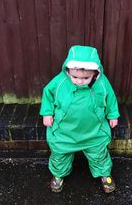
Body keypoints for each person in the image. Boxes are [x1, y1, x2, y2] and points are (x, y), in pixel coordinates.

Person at [40, 45, 120, 193]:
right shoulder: (60, 82)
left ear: (96, 73)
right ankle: (58, 174)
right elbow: (48, 94)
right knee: (60, 153)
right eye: (75, 77)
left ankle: (104, 174)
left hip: (93, 131)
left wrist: (113, 114)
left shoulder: (102, 83)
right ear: (67, 70)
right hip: (65, 131)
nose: (79, 81)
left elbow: (111, 98)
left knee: (99, 153)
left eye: (85, 78)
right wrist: (47, 113)